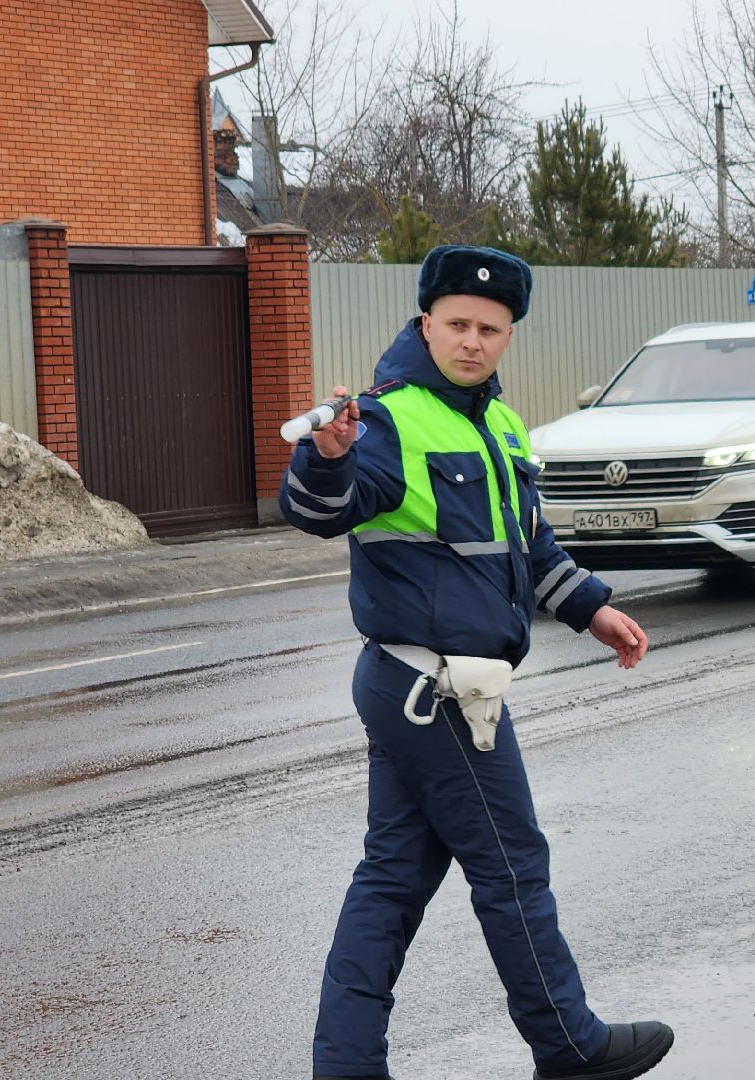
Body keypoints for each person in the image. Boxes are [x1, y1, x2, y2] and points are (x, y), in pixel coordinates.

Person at [280, 245, 674, 1080]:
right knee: (513, 861)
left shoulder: (499, 424)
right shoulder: (385, 419)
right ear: (426, 323)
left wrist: (592, 608)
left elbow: (525, 545)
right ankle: (570, 1045)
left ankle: (345, 1067)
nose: (472, 341)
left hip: (424, 686)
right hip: (432, 688)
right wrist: (326, 457)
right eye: (457, 323)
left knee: (393, 878)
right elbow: (322, 511)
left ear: (507, 335)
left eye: (490, 329)